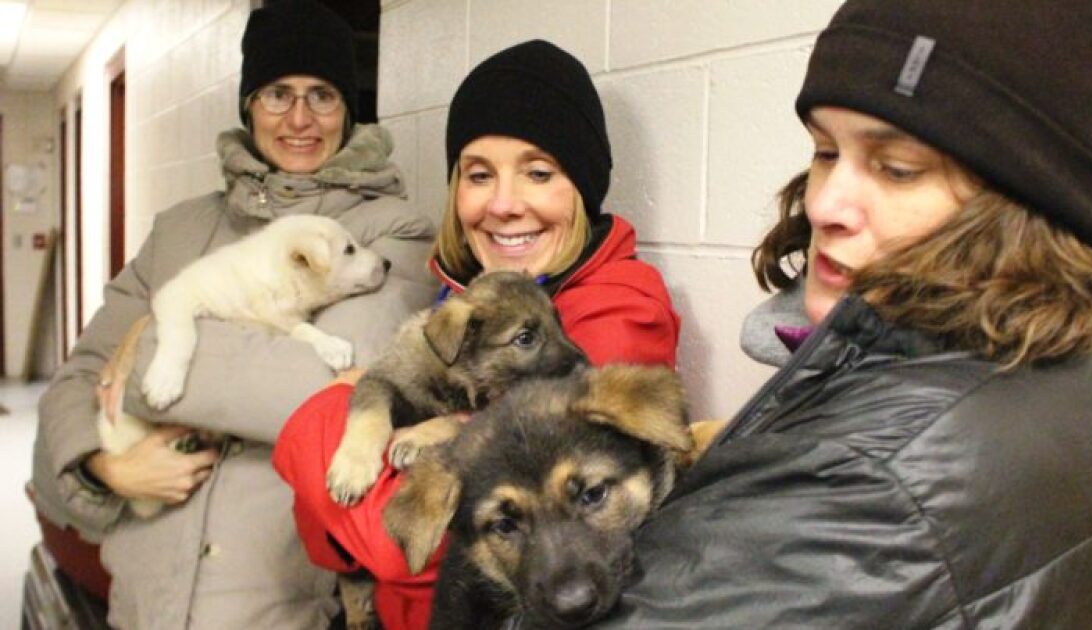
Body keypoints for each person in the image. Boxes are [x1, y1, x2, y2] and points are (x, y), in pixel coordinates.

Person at [597, 0, 1092, 627]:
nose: (823, 204)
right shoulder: (1064, 380)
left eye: (897, 169)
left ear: (1022, 213)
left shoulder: (871, 478)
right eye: (825, 151)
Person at [29, 1, 438, 628]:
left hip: (280, 605)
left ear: (347, 111)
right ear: (248, 106)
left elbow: (325, 391)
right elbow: (77, 380)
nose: (299, 118)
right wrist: (105, 467)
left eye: (322, 95)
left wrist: (150, 341)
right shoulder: (180, 230)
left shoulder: (389, 235)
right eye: (277, 93)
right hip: (144, 606)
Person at [272, 39, 681, 629]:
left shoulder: (614, 312)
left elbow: (396, 546)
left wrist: (327, 406)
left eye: (539, 172)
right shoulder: (461, 304)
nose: (504, 204)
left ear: (582, 186)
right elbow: (332, 539)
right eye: (479, 175)